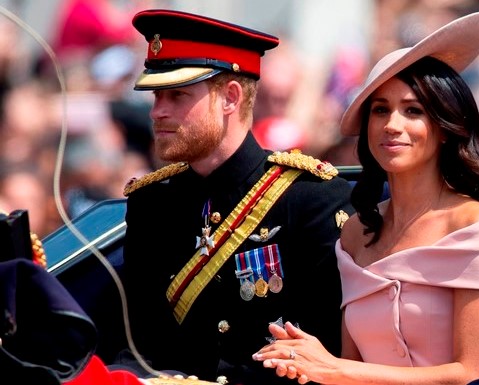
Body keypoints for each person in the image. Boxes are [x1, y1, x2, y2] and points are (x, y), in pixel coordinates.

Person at [253, 11, 479, 385]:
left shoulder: (477, 227)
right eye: (380, 110)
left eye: (413, 111)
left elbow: (472, 372)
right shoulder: (355, 233)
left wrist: (333, 368)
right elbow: (351, 369)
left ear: (444, 127)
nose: (392, 124)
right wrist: (302, 358)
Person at [117, 9, 354, 385]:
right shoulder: (151, 204)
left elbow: (326, 356)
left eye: (177, 95)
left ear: (230, 97)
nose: (158, 111)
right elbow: (138, 346)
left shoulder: (310, 199)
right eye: (157, 95)